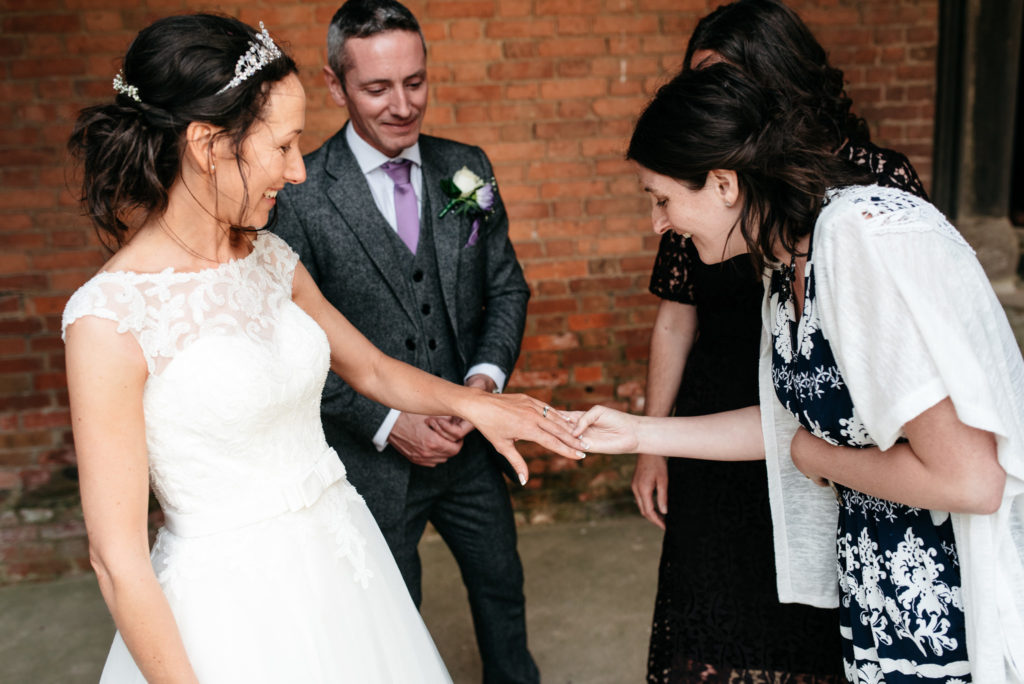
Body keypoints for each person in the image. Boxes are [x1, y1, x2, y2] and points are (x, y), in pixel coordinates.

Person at [63, 14, 581, 683]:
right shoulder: (108, 318)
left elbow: (370, 367)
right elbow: (117, 560)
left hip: (342, 563)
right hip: (233, 610)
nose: (299, 170)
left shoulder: (269, 257)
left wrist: (481, 405)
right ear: (207, 145)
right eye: (283, 145)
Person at [576, 63, 1024, 683]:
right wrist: (636, 433)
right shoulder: (784, 261)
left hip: (949, 593)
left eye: (662, 199)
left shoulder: (860, 243)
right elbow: (786, 422)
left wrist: (818, 458)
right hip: (875, 582)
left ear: (724, 184)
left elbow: (971, 479)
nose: (659, 223)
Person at [631, 1, 928, 681]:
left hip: (829, 428)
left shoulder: (860, 206)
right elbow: (676, 316)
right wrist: (650, 440)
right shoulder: (706, 200)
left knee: (813, 623)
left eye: (726, 83)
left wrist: (818, 449)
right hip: (723, 416)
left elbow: (949, 445)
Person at [272, 1, 540, 681]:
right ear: (335, 86)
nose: (402, 105)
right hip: (372, 464)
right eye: (377, 88)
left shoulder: (466, 167)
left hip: (471, 450)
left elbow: (507, 289)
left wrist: (480, 387)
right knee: (391, 623)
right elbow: (295, 345)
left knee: (503, 590)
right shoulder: (299, 195)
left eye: (415, 82)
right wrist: (390, 422)